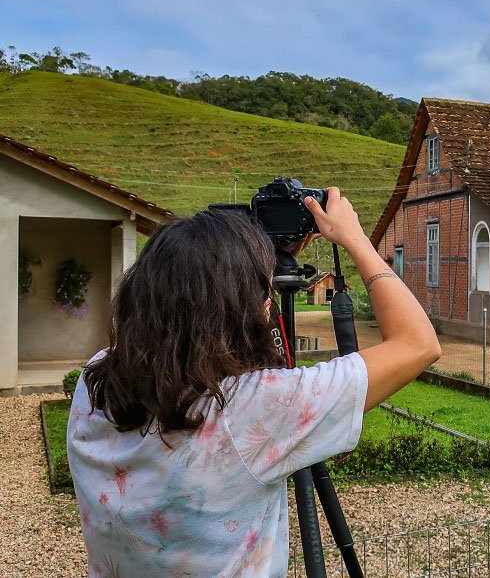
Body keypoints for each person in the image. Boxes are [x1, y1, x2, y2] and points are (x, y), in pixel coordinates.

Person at [67, 187, 440, 576]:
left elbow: (199, 342)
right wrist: (354, 238)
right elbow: (418, 343)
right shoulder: (254, 410)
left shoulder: (96, 384)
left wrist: (255, 265)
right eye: (262, 294)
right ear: (240, 308)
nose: (268, 302)